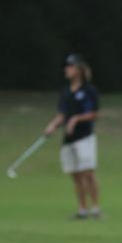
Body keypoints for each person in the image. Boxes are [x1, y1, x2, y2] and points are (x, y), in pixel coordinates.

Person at [44, 54, 101, 219]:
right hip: (69, 139)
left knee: (87, 173)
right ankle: (82, 210)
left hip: (84, 137)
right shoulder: (65, 92)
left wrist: (76, 119)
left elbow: (94, 113)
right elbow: (62, 114)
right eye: (66, 67)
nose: (66, 70)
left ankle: (96, 208)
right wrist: (52, 125)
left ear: (79, 69)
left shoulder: (89, 91)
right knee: (75, 175)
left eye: (70, 67)